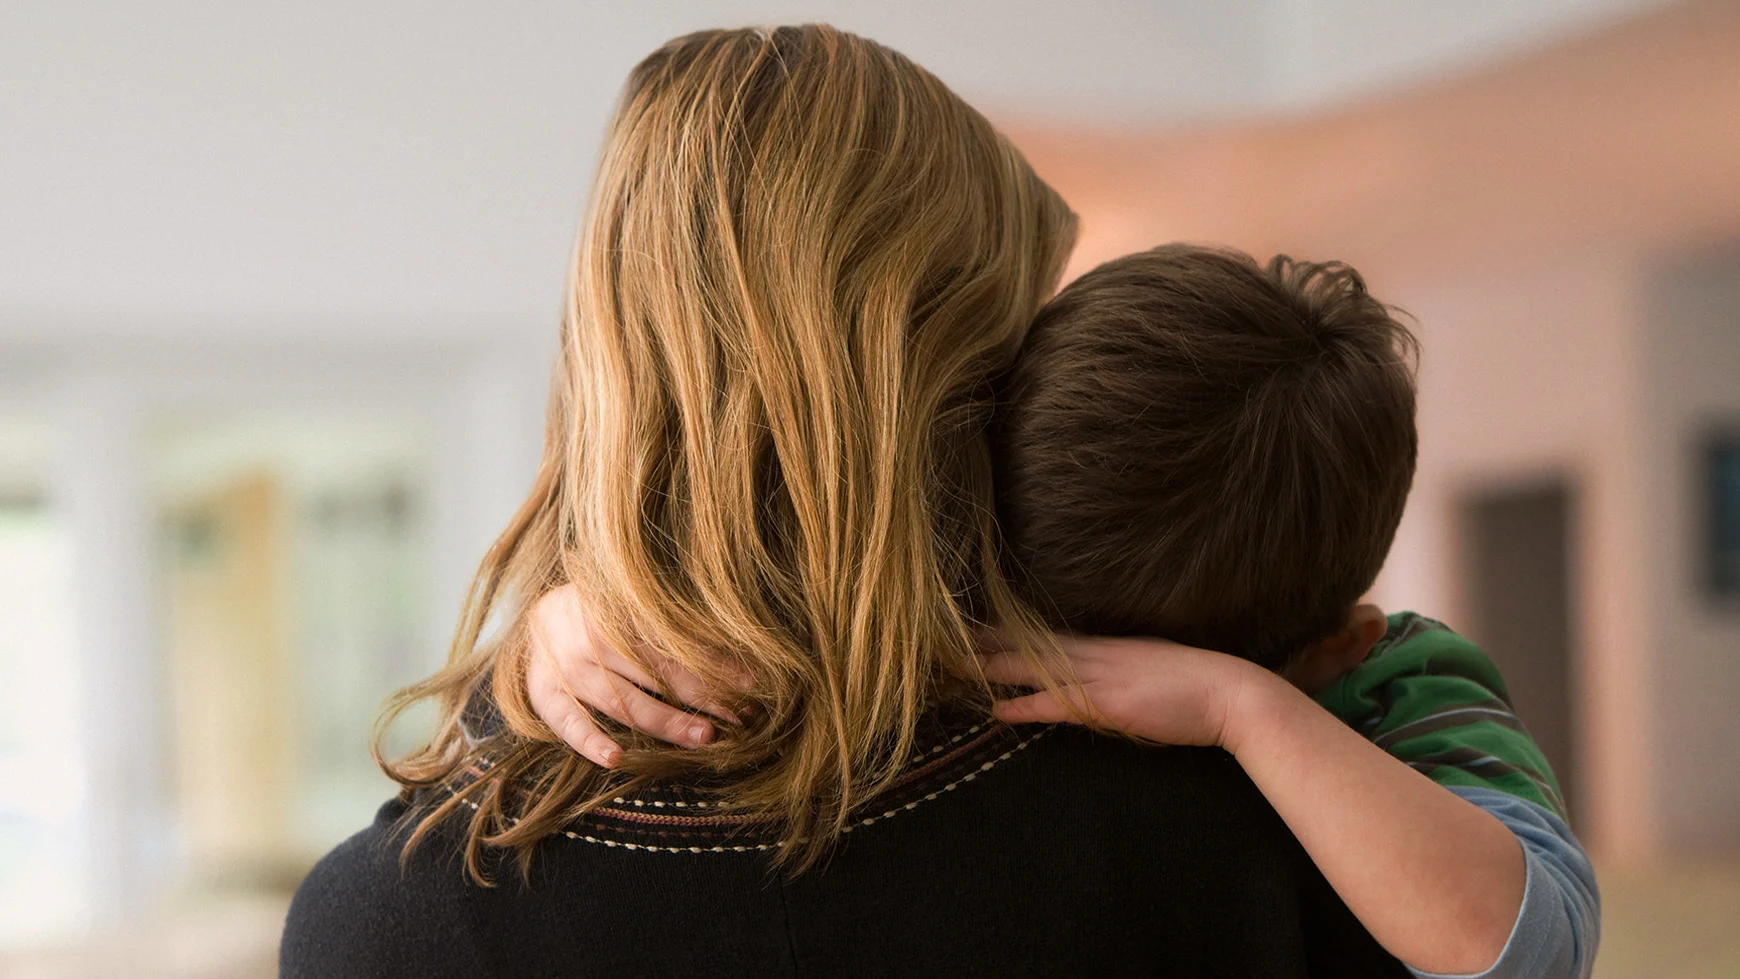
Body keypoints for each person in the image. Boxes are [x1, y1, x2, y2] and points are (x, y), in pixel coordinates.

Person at [280, 27, 1405, 978]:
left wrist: (529, 673)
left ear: (607, 363)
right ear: (954, 393)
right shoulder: (1256, 817)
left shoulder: (390, 920)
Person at [529, 246, 1599, 978]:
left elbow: (1530, 944)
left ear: (1335, 647)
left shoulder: (1400, 684)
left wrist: (1241, 708)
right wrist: (580, 619)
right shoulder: (983, 572)